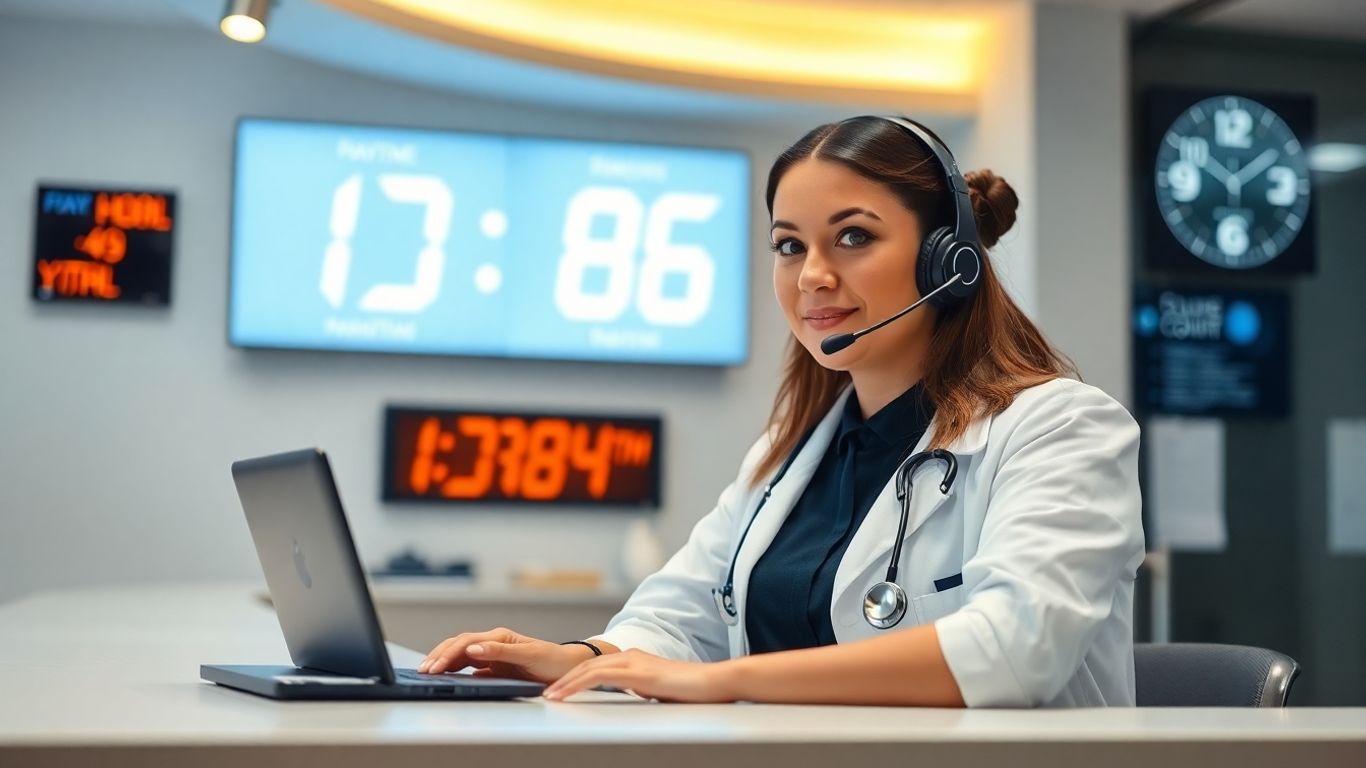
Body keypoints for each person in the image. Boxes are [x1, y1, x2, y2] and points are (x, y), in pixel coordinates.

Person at [418, 115, 1144, 708]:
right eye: (789, 245)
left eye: (854, 237)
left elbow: (1011, 650)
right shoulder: (790, 451)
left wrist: (724, 681)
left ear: (945, 259)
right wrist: (579, 656)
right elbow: (685, 615)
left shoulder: (1062, 429)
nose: (813, 276)